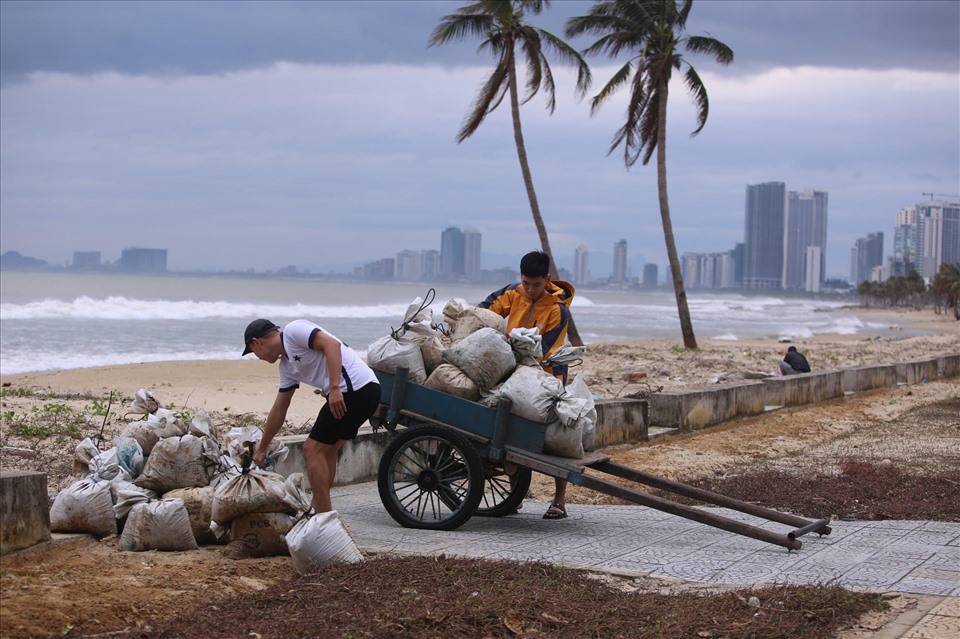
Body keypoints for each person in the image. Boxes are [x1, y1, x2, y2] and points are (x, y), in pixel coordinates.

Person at [242, 318, 381, 514]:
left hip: (354, 390)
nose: (257, 357)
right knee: (327, 451)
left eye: (253, 352)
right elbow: (279, 409)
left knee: (311, 449)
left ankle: (323, 517)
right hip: (363, 392)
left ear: (257, 342)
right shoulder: (287, 367)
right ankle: (320, 509)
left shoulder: (293, 331)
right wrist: (262, 449)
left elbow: (332, 344)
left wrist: (333, 388)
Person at [478, 250, 576, 520]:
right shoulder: (512, 293)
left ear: (548, 279)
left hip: (548, 374)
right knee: (508, 430)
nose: (531, 290)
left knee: (555, 437)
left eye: (537, 284)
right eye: (526, 283)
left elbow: (545, 351)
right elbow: (483, 312)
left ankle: (559, 500)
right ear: (520, 278)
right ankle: (515, 497)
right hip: (513, 368)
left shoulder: (558, 311)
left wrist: (509, 352)